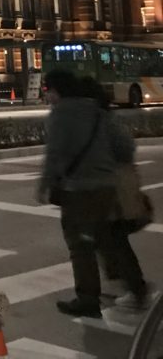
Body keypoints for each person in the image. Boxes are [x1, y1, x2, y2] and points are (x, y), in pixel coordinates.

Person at [38, 70, 148, 317]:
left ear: (58, 90)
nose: (48, 97)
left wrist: (44, 185)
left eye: (49, 91)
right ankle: (136, 288)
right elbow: (125, 146)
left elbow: (54, 155)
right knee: (107, 238)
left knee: (80, 245)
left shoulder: (60, 115)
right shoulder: (97, 112)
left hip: (78, 190)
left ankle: (88, 298)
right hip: (106, 188)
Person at [78, 76, 153, 307]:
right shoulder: (101, 119)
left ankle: (136, 288)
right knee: (109, 238)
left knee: (114, 238)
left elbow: (125, 148)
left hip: (115, 189)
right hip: (112, 188)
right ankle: (129, 284)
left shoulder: (100, 121)